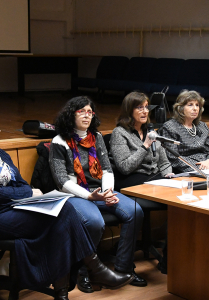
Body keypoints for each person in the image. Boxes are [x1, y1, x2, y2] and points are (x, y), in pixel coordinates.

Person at [0, 109, 133, 300]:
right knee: (62, 216)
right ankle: (90, 271)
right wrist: (27, 193)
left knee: (63, 214)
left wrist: (24, 192)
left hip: (13, 208)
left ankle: (66, 289)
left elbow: (20, 183)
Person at [49, 96, 147, 290]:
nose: (87, 116)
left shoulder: (97, 137)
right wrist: (90, 196)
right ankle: (84, 272)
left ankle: (123, 269)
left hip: (100, 190)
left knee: (135, 212)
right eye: (82, 112)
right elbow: (62, 181)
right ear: (71, 114)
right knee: (95, 222)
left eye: (90, 112)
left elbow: (107, 169)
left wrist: (107, 191)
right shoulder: (59, 141)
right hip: (75, 195)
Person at [109, 91, 174, 191]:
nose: (145, 111)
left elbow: (164, 163)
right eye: (140, 107)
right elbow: (125, 168)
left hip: (152, 177)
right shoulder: (119, 133)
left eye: (147, 107)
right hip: (130, 178)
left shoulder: (150, 131)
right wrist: (145, 146)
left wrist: (168, 174)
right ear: (129, 110)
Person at [158, 90, 209, 173]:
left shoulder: (202, 126)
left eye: (197, 105)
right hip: (186, 170)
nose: (195, 108)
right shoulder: (170, 127)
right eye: (190, 105)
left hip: (207, 168)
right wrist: (198, 167)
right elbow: (173, 158)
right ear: (180, 108)